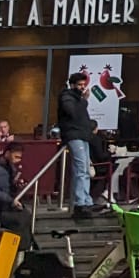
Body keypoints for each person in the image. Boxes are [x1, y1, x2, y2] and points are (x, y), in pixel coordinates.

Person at [56, 70, 101, 218]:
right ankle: (80, 202)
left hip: (82, 136)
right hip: (74, 135)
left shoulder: (77, 99)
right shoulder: (67, 97)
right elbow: (73, 113)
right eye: (80, 84)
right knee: (81, 169)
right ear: (72, 85)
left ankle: (86, 200)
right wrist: (84, 100)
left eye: (83, 84)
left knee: (85, 169)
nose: (82, 87)